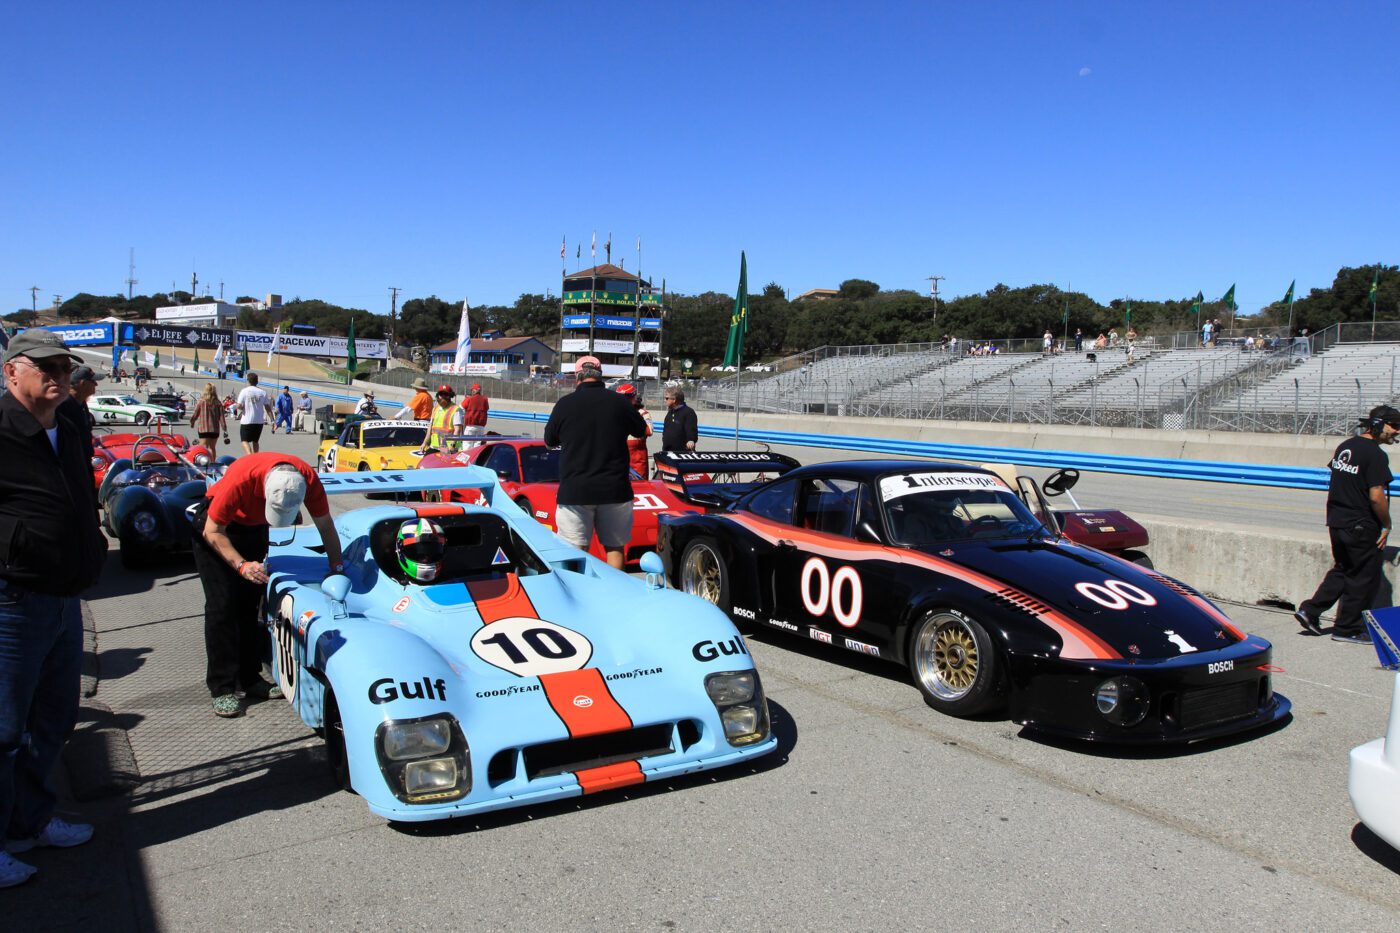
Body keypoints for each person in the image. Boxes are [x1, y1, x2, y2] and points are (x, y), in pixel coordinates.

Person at [0, 330, 107, 887]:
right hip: (14, 599)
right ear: (11, 371)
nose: (59, 376)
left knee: (54, 719)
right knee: (4, 728)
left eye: (64, 367)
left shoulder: (68, 421)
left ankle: (30, 821)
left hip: (66, 596)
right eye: (45, 367)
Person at [190, 452, 345, 717]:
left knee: (251, 605)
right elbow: (212, 531)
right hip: (218, 528)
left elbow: (326, 526)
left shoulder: (307, 478)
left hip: (254, 527)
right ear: (264, 490)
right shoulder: (241, 479)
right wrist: (242, 565)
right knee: (222, 606)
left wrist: (337, 568)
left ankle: (250, 678)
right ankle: (222, 687)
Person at [1295, 405, 1399, 644]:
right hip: (1361, 525)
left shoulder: (1346, 446)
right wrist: (1387, 525)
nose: (1397, 431)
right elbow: (1376, 496)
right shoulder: (1375, 455)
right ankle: (1347, 629)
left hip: (1337, 521)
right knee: (1363, 578)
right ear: (1378, 424)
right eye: (1394, 426)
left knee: (1344, 569)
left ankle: (1310, 610)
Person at [544, 356, 648, 570]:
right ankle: (614, 591)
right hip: (614, 488)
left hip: (576, 489)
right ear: (601, 376)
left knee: (574, 550)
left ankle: (576, 590)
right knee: (615, 548)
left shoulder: (565, 404)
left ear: (577, 377)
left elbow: (549, 441)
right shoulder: (620, 402)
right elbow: (640, 430)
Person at [58, 364, 100, 450]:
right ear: (83, 383)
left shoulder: (81, 403)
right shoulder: (63, 406)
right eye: (93, 381)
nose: (96, 384)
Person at [616, 383, 652, 476]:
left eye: (626, 397)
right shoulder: (615, 412)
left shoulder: (642, 413)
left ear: (633, 398)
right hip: (620, 455)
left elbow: (649, 431)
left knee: (640, 482)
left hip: (637, 457)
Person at [235, 372, 273, 455]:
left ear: (248, 381)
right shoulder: (263, 392)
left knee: (244, 441)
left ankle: (250, 456)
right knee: (255, 441)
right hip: (259, 421)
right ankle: (255, 456)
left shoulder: (244, 391)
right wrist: (272, 420)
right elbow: (268, 408)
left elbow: (239, 406)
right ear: (257, 381)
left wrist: (242, 408)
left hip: (247, 421)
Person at [190, 383, 227, 459]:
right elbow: (222, 418)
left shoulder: (201, 401)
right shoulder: (218, 403)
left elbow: (195, 414)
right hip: (215, 430)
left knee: (203, 448)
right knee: (212, 448)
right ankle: (212, 463)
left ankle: (204, 462)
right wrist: (224, 428)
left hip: (203, 429)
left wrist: (192, 422)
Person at [662, 387, 698, 454]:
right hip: (667, 452)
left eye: (667, 398)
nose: (665, 400)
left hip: (682, 453)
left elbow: (691, 429)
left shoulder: (688, 412)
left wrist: (691, 440)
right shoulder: (670, 412)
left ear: (674, 400)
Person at [429, 385, 464, 451]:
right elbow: (430, 426)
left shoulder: (456, 409)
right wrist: (425, 442)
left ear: (450, 396)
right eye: (441, 394)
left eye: (446, 394)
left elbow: (457, 429)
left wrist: (453, 445)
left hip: (448, 447)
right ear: (438, 396)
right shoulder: (435, 408)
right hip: (434, 446)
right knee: (426, 457)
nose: (443, 396)